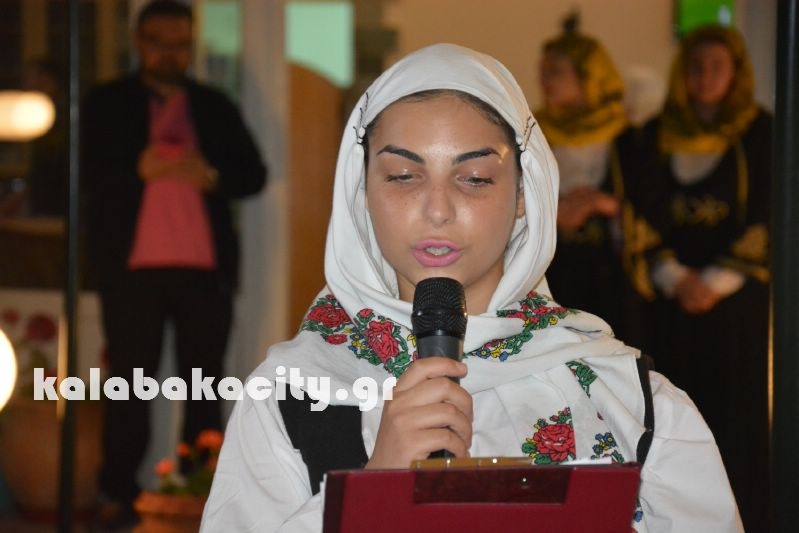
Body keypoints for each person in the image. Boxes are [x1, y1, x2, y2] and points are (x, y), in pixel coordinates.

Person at [200, 43, 740, 532]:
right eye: (403, 176)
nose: (437, 209)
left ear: (525, 193)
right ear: (361, 192)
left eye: (475, 178)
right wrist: (376, 488)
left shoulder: (631, 399)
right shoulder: (292, 395)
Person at [82, 0, 266, 525]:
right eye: (160, 42)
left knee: (204, 385)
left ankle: (201, 494)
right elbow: (83, 172)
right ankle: (118, 494)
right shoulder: (107, 102)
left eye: (181, 44)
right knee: (130, 385)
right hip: (131, 271)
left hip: (204, 273)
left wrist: (208, 175)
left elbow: (252, 174)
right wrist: (137, 169)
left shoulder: (213, 106)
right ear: (138, 43)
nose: (171, 54)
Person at [636, 24, 771, 530]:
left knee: (736, 419)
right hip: (669, 307)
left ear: (737, 73)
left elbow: (769, 214)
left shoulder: (761, 133)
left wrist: (713, 281)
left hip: (736, 308)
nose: (705, 77)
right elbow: (640, 210)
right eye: (695, 67)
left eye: (717, 66)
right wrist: (674, 276)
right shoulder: (654, 135)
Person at [536, 18, 660, 351]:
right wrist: (552, 212)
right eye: (543, 71)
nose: (545, 81)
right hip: (554, 282)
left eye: (555, 71)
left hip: (612, 285)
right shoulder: (534, 134)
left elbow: (654, 211)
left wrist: (603, 204)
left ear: (589, 76)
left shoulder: (629, 139)